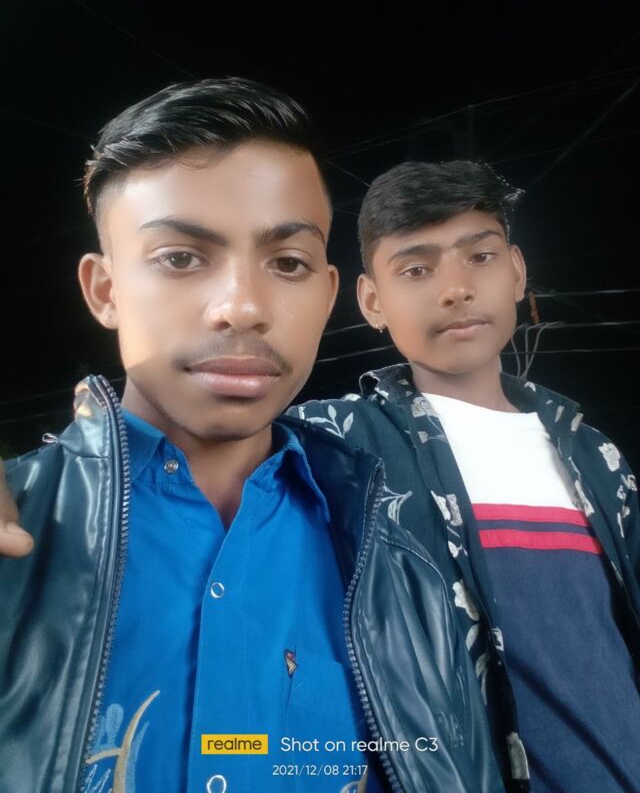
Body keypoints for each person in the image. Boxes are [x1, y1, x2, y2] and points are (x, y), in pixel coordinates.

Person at [0, 83, 503, 793]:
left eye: (288, 263)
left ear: (327, 294)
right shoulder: (16, 533)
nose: (242, 306)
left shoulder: (403, 581)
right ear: (105, 290)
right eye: (181, 257)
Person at [292, 160, 640, 792]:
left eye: (479, 257)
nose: (455, 289)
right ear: (371, 301)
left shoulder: (597, 459)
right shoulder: (333, 448)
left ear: (517, 272)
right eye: (416, 269)